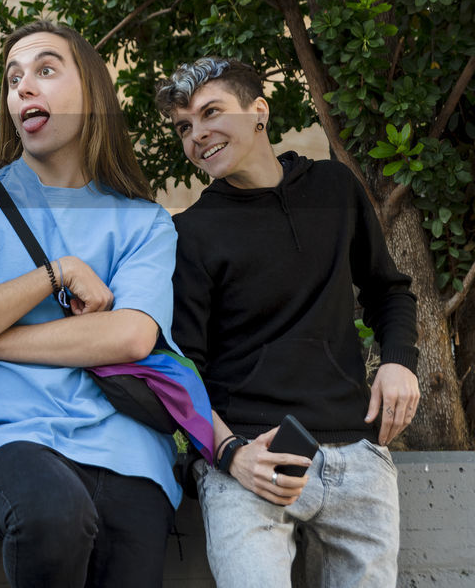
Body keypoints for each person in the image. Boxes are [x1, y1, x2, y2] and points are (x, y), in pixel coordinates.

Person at [0, 20, 182, 588]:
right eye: (13, 78)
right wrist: (53, 275)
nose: (23, 87)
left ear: (92, 92)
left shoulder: (145, 222)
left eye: (46, 70)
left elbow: (129, 336)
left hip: (127, 446)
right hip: (10, 435)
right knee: (53, 517)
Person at [157, 56, 422, 588]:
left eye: (211, 112)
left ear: (259, 112)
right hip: (250, 465)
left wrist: (398, 363)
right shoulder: (191, 233)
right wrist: (230, 455)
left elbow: (387, 290)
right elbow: (182, 372)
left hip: (356, 456)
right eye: (185, 127)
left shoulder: (334, 189)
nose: (198, 135)